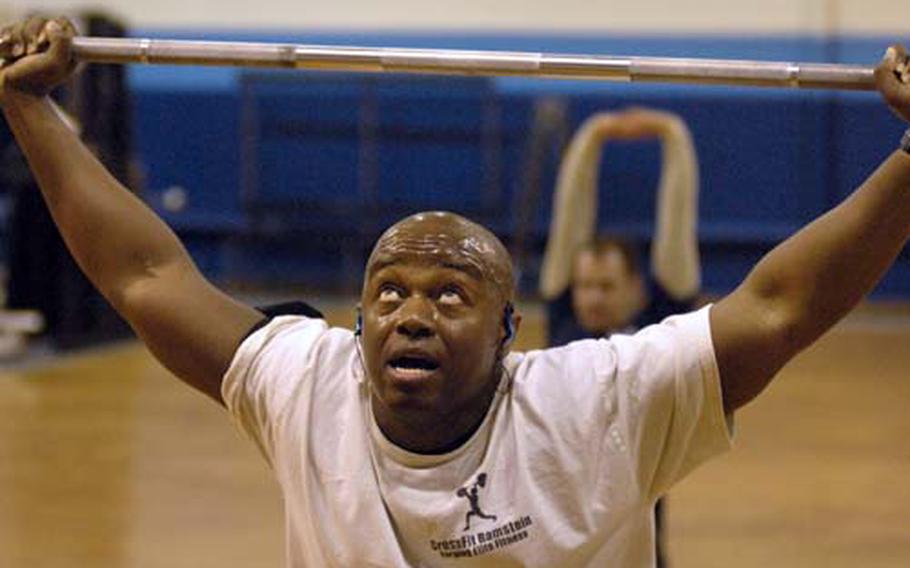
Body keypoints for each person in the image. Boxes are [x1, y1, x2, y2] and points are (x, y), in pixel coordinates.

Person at [2, 16, 909, 567]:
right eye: (389, 293)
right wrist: (27, 108)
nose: (411, 312)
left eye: (449, 294)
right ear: (358, 328)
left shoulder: (598, 405)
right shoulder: (306, 386)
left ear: (512, 332)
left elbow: (781, 305)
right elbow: (146, 273)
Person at [539, 107, 701, 565]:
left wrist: (673, 133)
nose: (590, 297)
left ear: (636, 289)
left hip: (635, 539)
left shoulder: (659, 321)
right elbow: (569, 213)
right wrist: (591, 137)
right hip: (561, 530)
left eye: (606, 286)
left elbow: (678, 220)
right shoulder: (565, 319)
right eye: (586, 285)